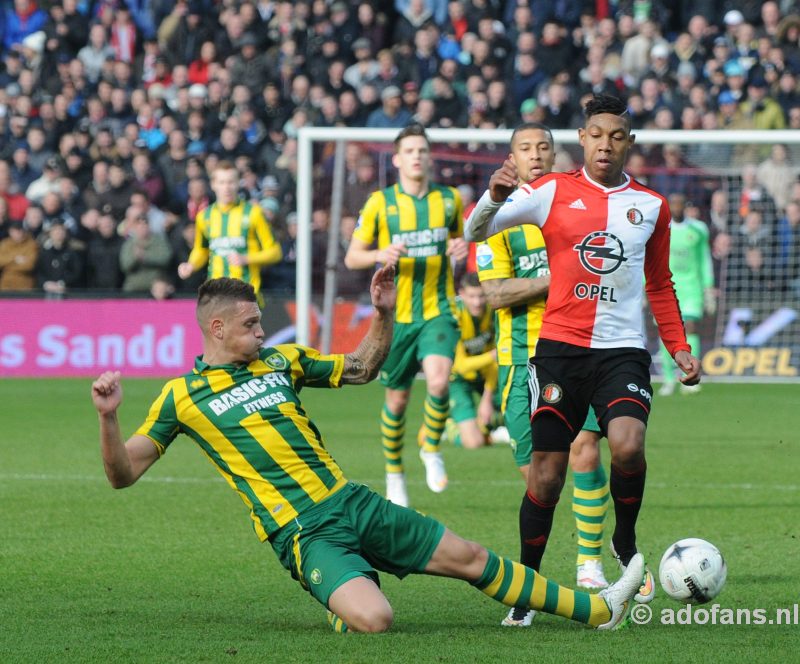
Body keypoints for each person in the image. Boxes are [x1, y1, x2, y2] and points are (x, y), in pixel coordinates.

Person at [91, 269, 644, 634]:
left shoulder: (283, 361)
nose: (263, 331)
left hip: (353, 501)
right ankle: (342, 588)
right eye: (251, 323)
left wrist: (381, 313)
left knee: (472, 556)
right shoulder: (181, 398)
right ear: (216, 327)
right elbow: (123, 474)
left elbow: (361, 368)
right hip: (304, 532)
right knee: (376, 619)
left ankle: (598, 608)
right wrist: (109, 418)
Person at [466, 94, 701, 608]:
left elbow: (659, 284)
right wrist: (491, 196)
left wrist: (679, 348)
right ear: (582, 139)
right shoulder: (549, 192)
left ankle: (624, 541)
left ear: (629, 144)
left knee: (628, 443)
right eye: (597, 135)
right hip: (559, 352)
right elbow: (473, 231)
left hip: (622, 352)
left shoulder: (652, 207)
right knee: (547, 479)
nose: (605, 145)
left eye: (616, 137)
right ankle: (527, 585)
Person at [475, 122, 610, 628]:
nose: (536, 154)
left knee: (587, 448)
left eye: (544, 147)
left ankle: (591, 566)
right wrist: (555, 278)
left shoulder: (574, 206)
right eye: (526, 148)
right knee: (540, 481)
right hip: (519, 360)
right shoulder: (504, 216)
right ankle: (529, 587)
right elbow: (494, 292)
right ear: (512, 156)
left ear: (556, 154)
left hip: (579, 353)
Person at [344, 123, 468, 507]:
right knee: (396, 402)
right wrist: (379, 254)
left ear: (429, 158)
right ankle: (394, 472)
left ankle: (430, 447)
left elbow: (456, 243)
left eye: (423, 150)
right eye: (410, 150)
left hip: (439, 310)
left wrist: (460, 250)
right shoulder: (381, 203)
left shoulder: (448, 200)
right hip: (396, 319)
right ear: (397, 159)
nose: (417, 156)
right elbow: (352, 257)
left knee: (438, 382)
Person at [177, 160, 282, 306]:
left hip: (247, 296)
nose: (226, 187)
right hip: (216, 296)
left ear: (238, 183)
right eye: (222, 182)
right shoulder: (204, 217)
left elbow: (275, 252)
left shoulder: (253, 213)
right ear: (213, 184)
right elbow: (201, 249)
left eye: (231, 182)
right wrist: (191, 265)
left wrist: (246, 258)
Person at [657, 193, 715, 396]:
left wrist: (708, 287)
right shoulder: (661, 228)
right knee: (666, 332)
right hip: (667, 288)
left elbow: (704, 259)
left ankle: (691, 374)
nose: (676, 208)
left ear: (685, 206)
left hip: (691, 287)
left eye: (680, 204)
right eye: (673, 204)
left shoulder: (698, 229)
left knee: (690, 328)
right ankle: (668, 378)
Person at [444, 272, 507, 450]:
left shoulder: (494, 312)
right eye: (471, 296)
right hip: (457, 379)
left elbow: (494, 364)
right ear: (462, 294)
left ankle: (487, 425)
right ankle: (447, 425)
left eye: (481, 296)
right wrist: (492, 356)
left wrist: (486, 399)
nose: (477, 302)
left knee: (519, 408)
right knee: (474, 443)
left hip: (485, 376)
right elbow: (461, 366)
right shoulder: (454, 315)